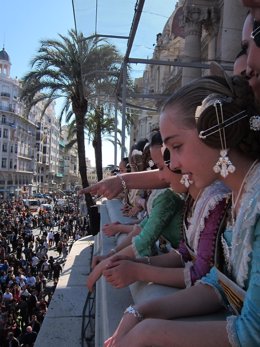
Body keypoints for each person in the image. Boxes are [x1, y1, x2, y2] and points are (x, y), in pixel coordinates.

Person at [104, 73, 260, 346]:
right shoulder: (241, 196)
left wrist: (149, 332)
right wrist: (142, 310)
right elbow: (222, 283)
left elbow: (253, 333)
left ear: (217, 130)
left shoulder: (253, 202)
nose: (173, 164)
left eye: (176, 147)